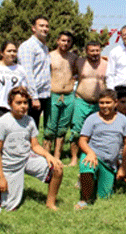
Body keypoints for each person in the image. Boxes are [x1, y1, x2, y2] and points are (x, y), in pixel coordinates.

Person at [0, 86, 63, 211]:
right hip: (11, 164)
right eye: (18, 103)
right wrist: (0, 177)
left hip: (28, 158)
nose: (23, 106)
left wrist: (49, 156)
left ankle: (50, 203)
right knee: (9, 208)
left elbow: (34, 145)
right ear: (10, 103)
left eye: (25, 103)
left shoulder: (29, 121)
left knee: (57, 169)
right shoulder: (2, 123)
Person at [76, 89, 126, 210]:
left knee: (104, 197)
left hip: (109, 164)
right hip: (94, 156)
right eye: (101, 103)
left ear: (115, 103)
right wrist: (90, 153)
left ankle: (93, 180)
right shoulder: (92, 119)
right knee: (86, 166)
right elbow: (82, 140)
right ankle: (84, 199)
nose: (104, 106)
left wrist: (123, 168)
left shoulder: (123, 120)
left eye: (108, 102)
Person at [68, 41, 107, 166]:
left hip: (99, 103)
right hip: (81, 101)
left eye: (97, 50)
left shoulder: (107, 64)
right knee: (76, 131)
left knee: (98, 131)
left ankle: (95, 155)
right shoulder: (79, 62)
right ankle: (74, 158)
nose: (95, 53)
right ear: (86, 51)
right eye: (92, 51)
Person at [44, 31, 77, 160]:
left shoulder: (73, 58)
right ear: (58, 41)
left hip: (69, 95)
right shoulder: (50, 56)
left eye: (68, 41)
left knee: (63, 129)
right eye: (63, 40)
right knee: (50, 129)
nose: (66, 43)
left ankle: (57, 157)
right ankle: (46, 156)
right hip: (53, 94)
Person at [18, 16, 51, 130]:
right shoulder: (28, 46)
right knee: (28, 128)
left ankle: (33, 148)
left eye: (46, 26)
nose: (44, 28)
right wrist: (34, 97)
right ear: (33, 28)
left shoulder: (44, 48)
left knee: (34, 129)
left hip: (43, 94)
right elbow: (27, 73)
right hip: (32, 96)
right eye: (41, 26)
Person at [0, 41, 32, 123]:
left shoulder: (20, 69)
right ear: (2, 53)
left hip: (15, 107)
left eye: (14, 51)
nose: (12, 53)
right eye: (9, 51)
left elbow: (23, 88)